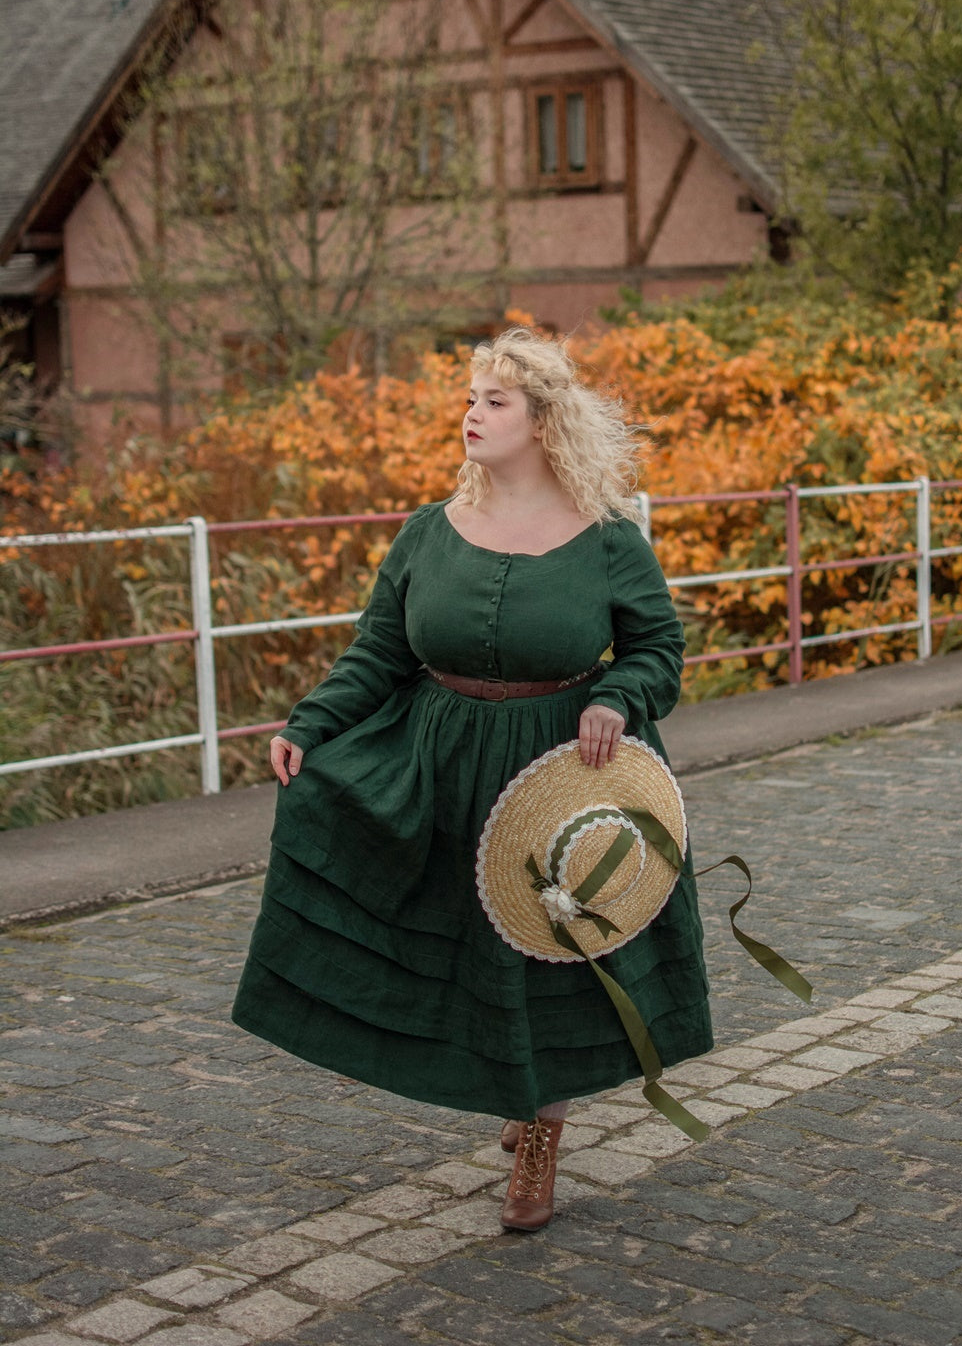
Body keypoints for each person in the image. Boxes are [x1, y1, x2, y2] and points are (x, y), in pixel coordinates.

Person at [231, 326, 712, 1231]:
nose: (472, 414)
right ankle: (511, 1086)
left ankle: (540, 1130)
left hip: (556, 770)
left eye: (494, 401)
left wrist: (615, 696)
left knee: (549, 949)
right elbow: (378, 650)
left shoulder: (607, 540)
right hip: (439, 763)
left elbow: (658, 648)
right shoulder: (427, 533)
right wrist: (312, 724)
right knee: (463, 941)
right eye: (469, 399)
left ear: (540, 422)